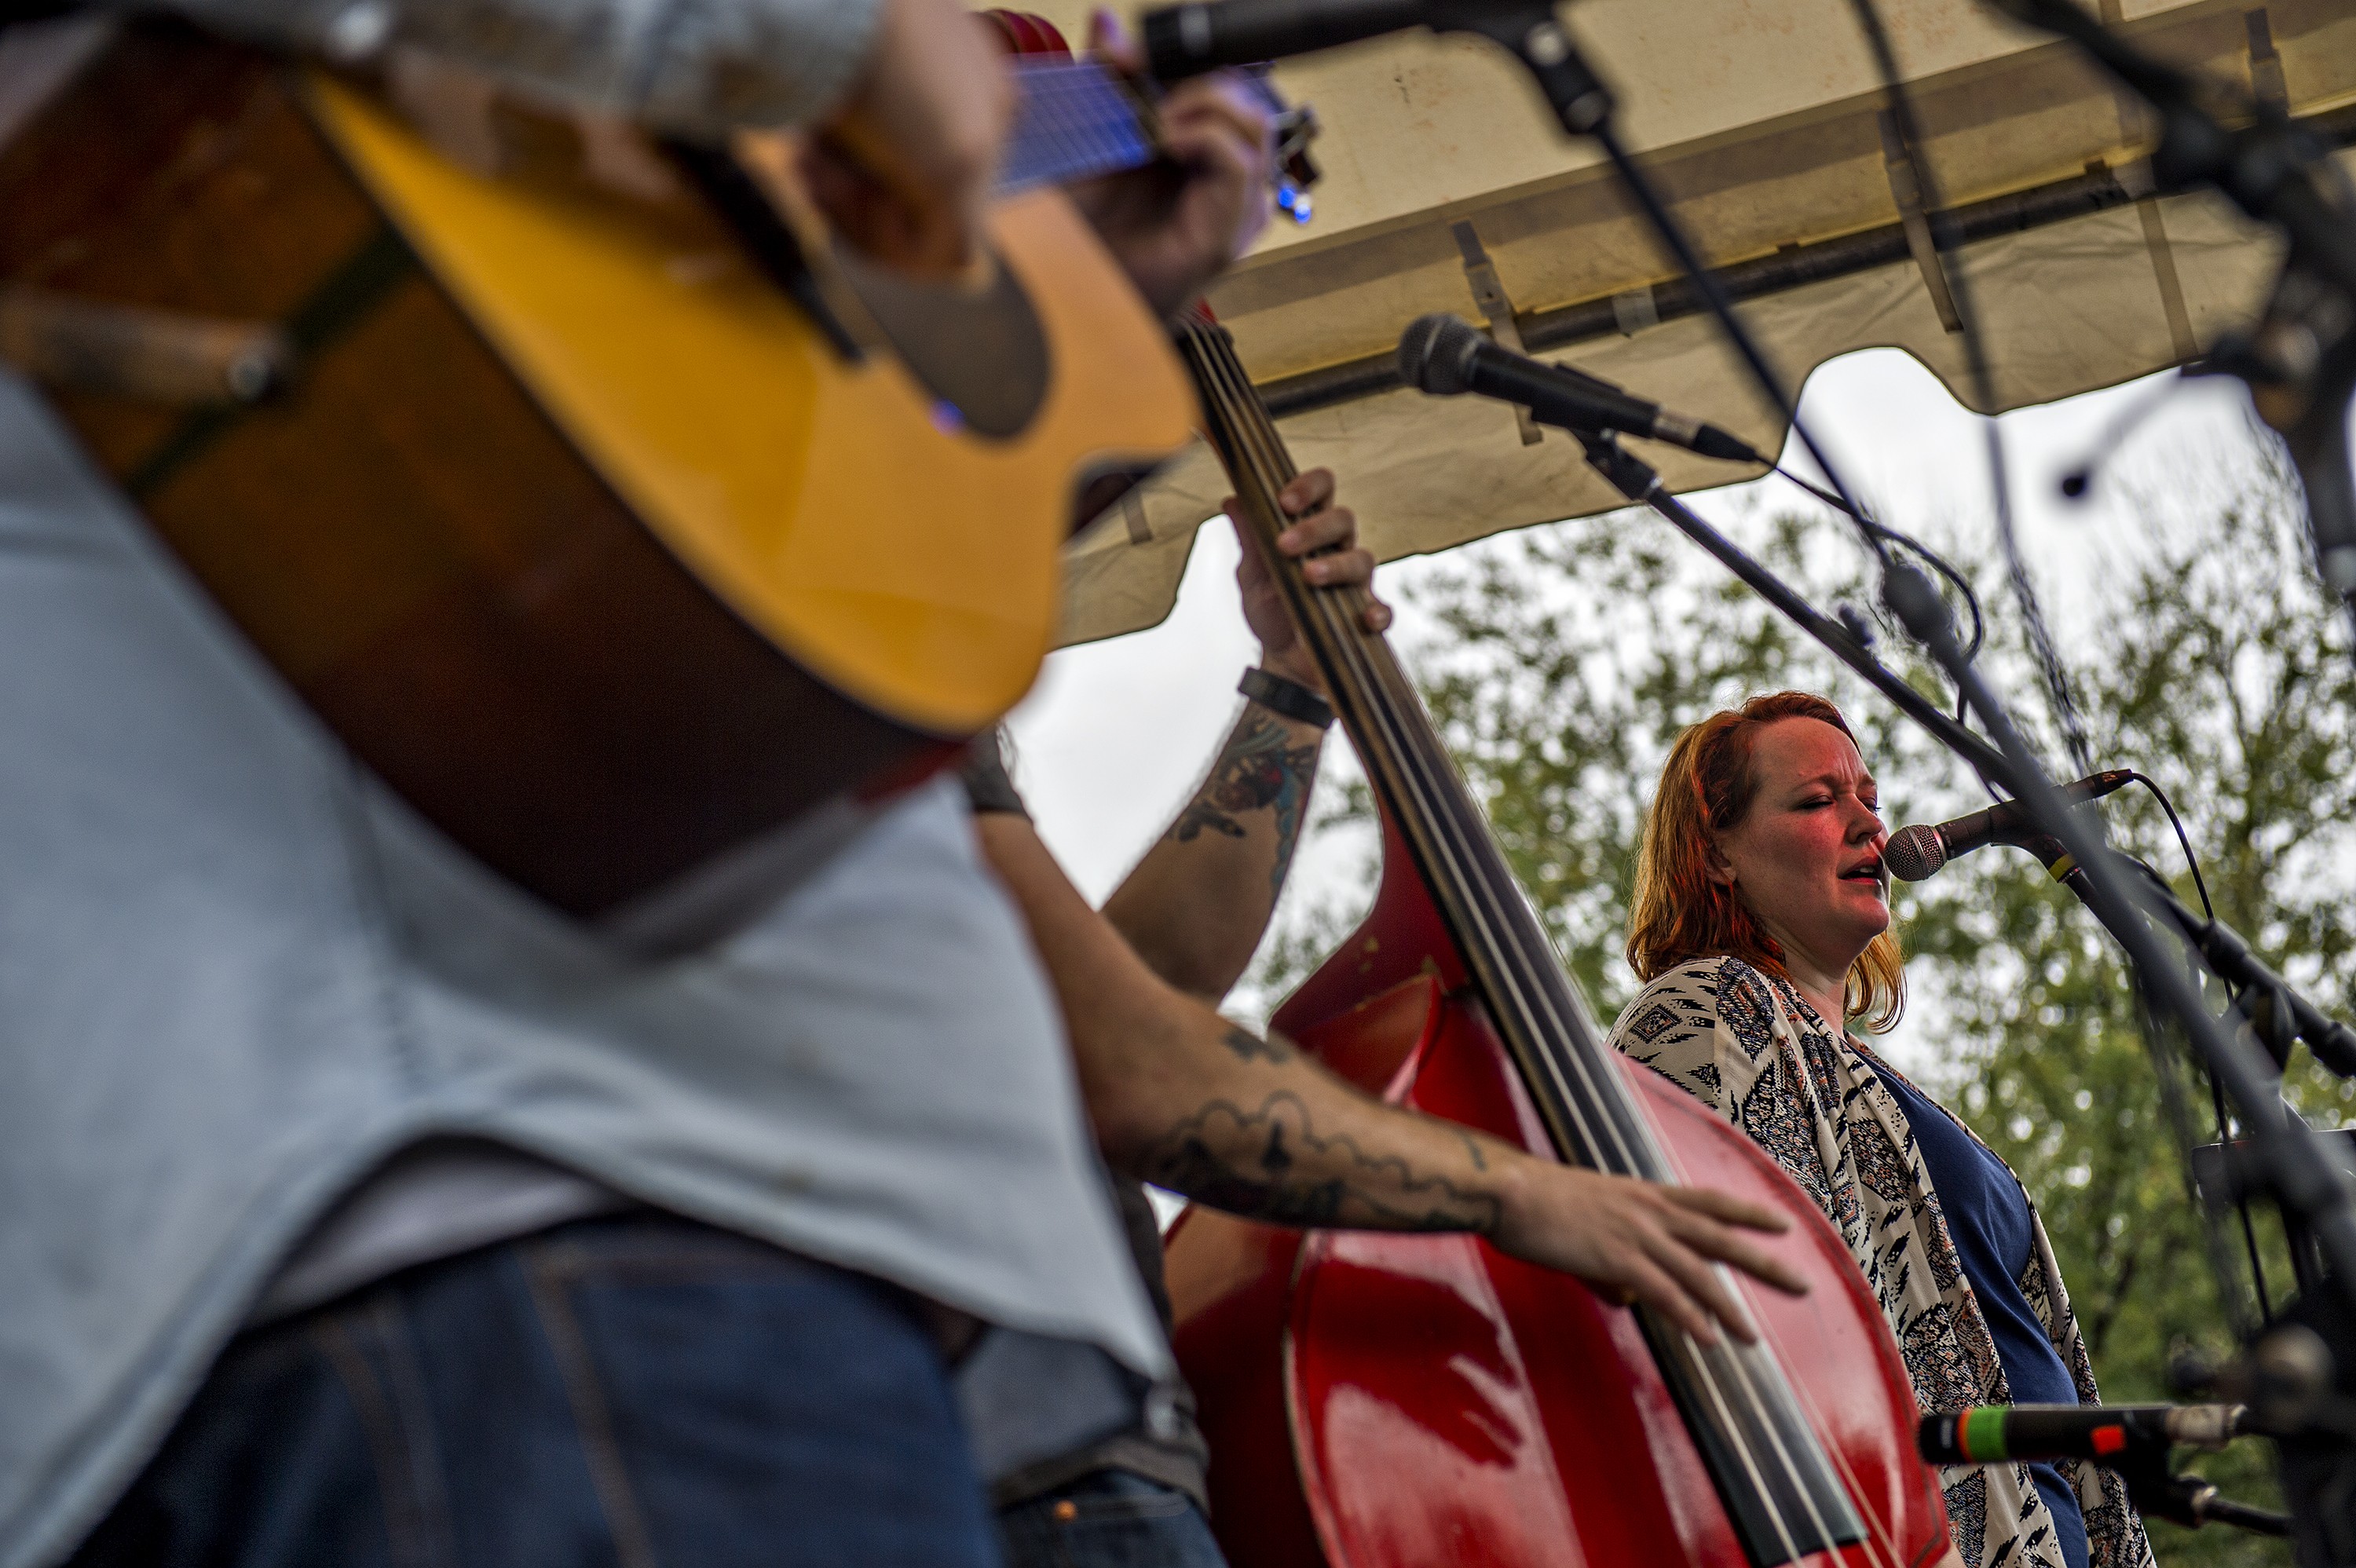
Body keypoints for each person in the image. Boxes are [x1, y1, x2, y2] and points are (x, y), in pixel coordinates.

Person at [0, 8, 1807, 1568]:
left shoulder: (633, 496)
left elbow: (921, 658)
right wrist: (861, 54)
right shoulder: (458, 310)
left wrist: (1249, 638)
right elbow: (1131, 1046)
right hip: (560, 1260)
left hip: (635, 1269)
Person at [970, 475, 1816, 1567]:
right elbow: (1123, 1062)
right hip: (1022, 1460)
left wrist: (1294, 687)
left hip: (1078, 1447)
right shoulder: (813, 668)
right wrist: (1516, 1184)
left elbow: (1132, 984)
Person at [1604, 690, 2157, 1568]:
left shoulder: (1867, 1071)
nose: (1868, 822)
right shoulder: (1706, 1012)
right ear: (1715, 854)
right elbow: (1745, 1344)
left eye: (1870, 796)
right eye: (1819, 800)